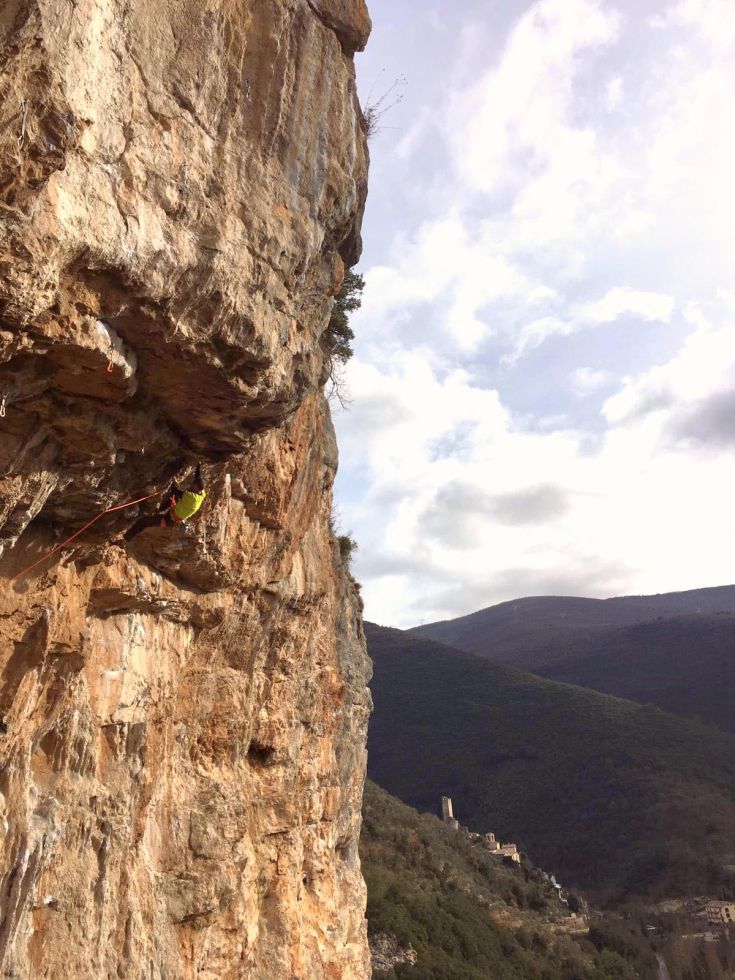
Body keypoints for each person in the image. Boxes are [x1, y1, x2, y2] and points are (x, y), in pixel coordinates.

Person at [123, 464, 206, 542]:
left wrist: (173, 481)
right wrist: (199, 465)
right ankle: (159, 510)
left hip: (169, 520)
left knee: (144, 522)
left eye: (193, 485)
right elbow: (198, 477)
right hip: (174, 514)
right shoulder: (202, 494)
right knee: (173, 500)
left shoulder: (191, 497)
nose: (191, 484)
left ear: (195, 487)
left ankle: (125, 539)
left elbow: (174, 490)